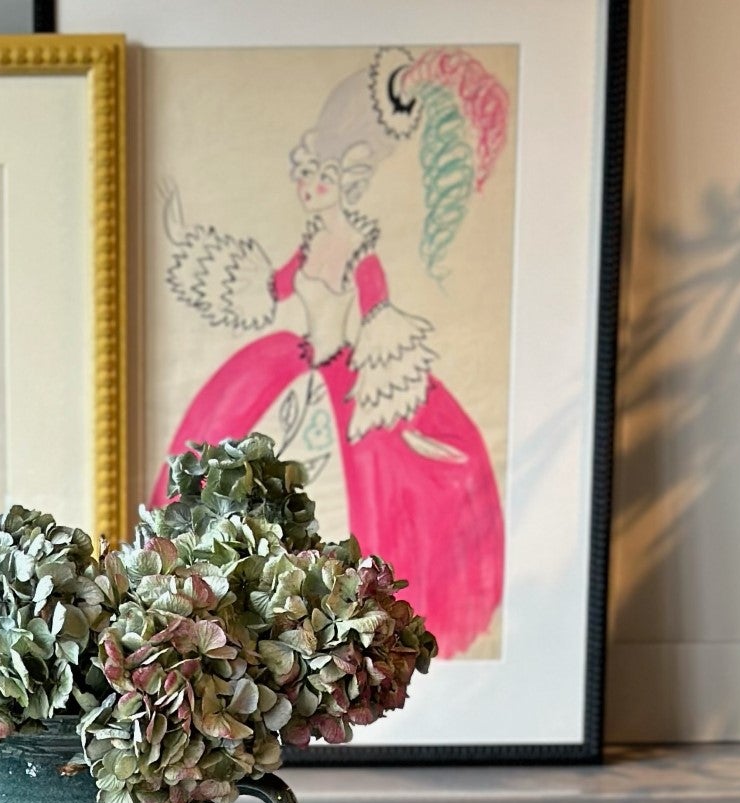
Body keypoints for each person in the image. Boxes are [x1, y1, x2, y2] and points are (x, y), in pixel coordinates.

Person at [157, 49, 507, 658]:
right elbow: (274, 288)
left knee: (366, 496)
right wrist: (197, 249)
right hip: (289, 363)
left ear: (348, 183)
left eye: (322, 178)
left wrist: (382, 368)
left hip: (345, 378)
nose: (310, 188)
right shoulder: (310, 242)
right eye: (307, 176)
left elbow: (378, 316)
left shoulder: (362, 257)